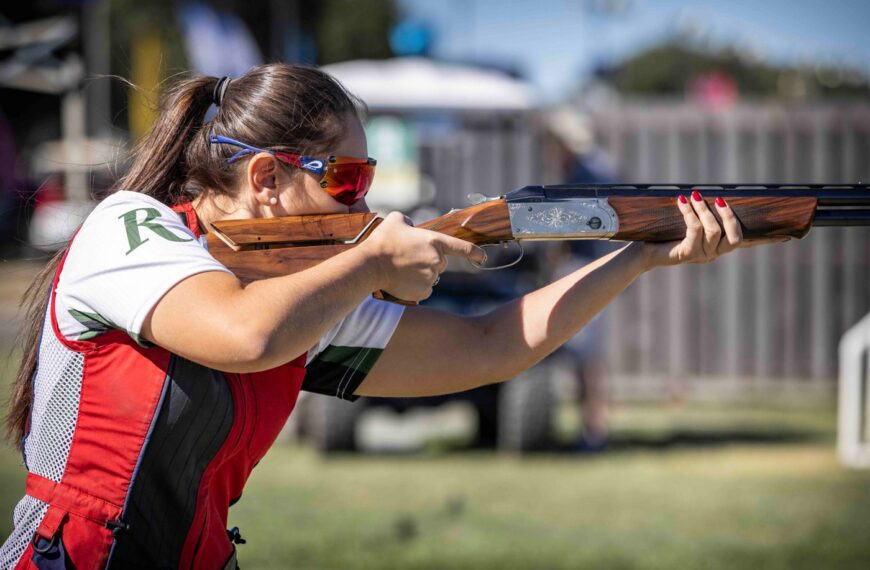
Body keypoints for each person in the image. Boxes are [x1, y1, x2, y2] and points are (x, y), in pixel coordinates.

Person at [1, 64, 781, 569]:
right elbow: (243, 335)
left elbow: (489, 345)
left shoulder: (303, 294)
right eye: (348, 178)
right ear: (266, 178)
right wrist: (371, 263)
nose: (365, 201)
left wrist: (636, 257)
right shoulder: (130, 226)